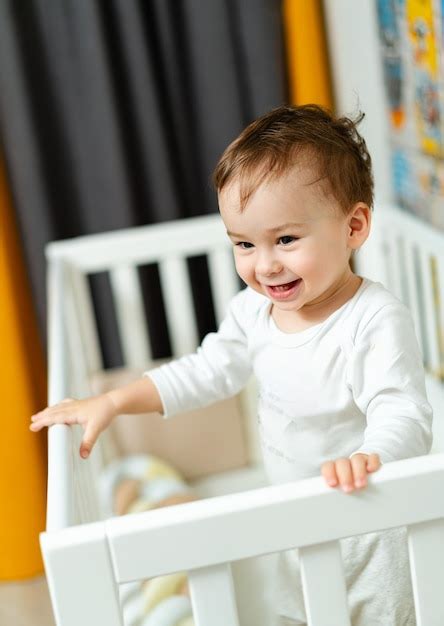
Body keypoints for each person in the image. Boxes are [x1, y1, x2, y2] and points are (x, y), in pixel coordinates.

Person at [30, 104, 432, 625]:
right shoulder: (253, 313)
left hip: (369, 525)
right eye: (244, 244)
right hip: (291, 519)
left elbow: (403, 412)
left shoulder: (372, 319)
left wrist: (372, 455)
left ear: (354, 226)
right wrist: (115, 400)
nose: (264, 264)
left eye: (286, 239)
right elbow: (204, 371)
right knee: (297, 611)